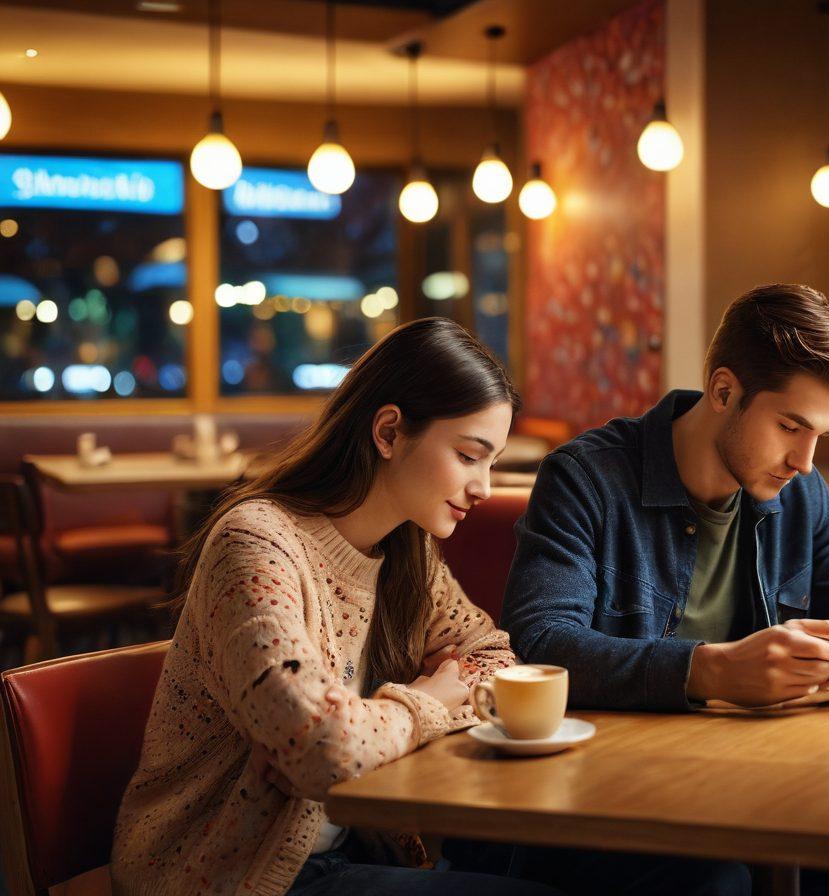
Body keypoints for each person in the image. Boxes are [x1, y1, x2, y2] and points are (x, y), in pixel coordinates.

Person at [492, 284, 829, 896]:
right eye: (790, 426)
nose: (805, 461)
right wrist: (713, 671)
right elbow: (541, 645)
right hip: (605, 798)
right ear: (724, 390)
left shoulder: (798, 494)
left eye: (820, 436)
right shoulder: (586, 477)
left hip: (760, 782)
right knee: (713, 882)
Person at [111, 318, 561, 896]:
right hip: (228, 875)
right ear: (390, 432)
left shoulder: (408, 553)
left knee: (568, 867)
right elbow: (324, 751)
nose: (484, 488)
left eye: (492, 463)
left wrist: (375, 724)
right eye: (469, 456)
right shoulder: (256, 545)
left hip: (350, 851)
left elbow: (492, 655)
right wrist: (423, 702)